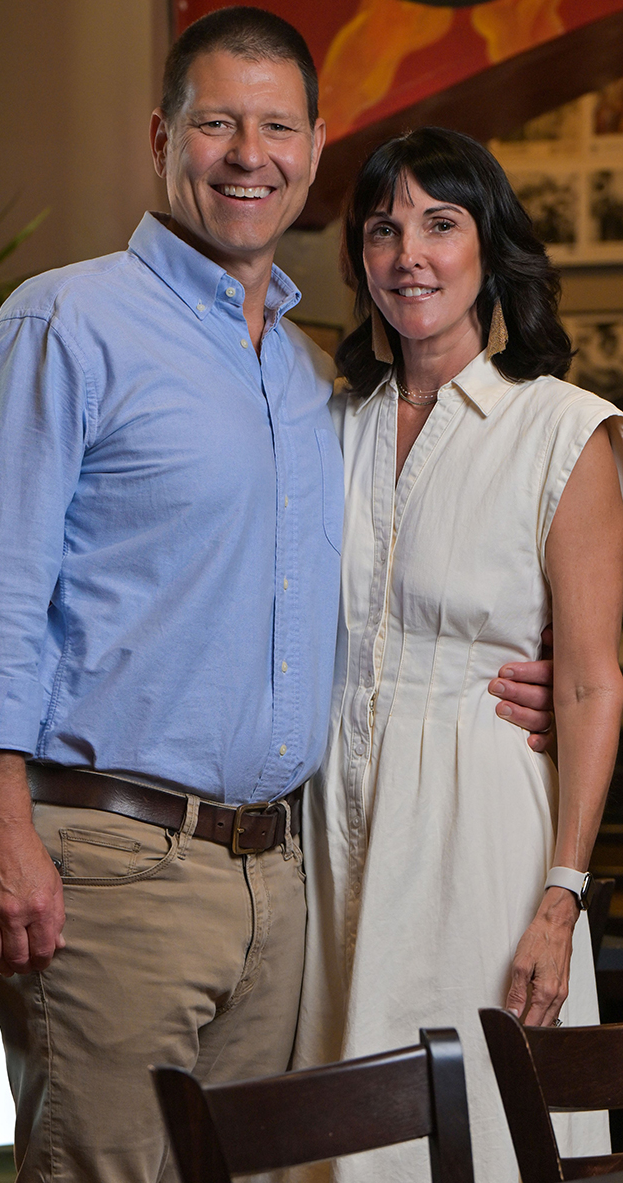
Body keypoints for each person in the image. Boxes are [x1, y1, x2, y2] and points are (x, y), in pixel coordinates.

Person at [0, 14, 552, 1183]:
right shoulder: (67, 323)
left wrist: (531, 670)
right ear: (162, 137)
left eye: (276, 127)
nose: (247, 154)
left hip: (282, 881)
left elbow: (387, 594)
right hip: (111, 868)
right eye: (217, 122)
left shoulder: (316, 376)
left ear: (315, 149)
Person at [292, 127, 623, 1183]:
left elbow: (589, 680)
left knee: (474, 1122)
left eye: (441, 224)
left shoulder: (562, 429)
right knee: (332, 1129)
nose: (409, 255)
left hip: (480, 829)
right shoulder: (328, 423)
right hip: (327, 827)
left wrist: (562, 897)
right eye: (383, 229)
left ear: (491, 246)